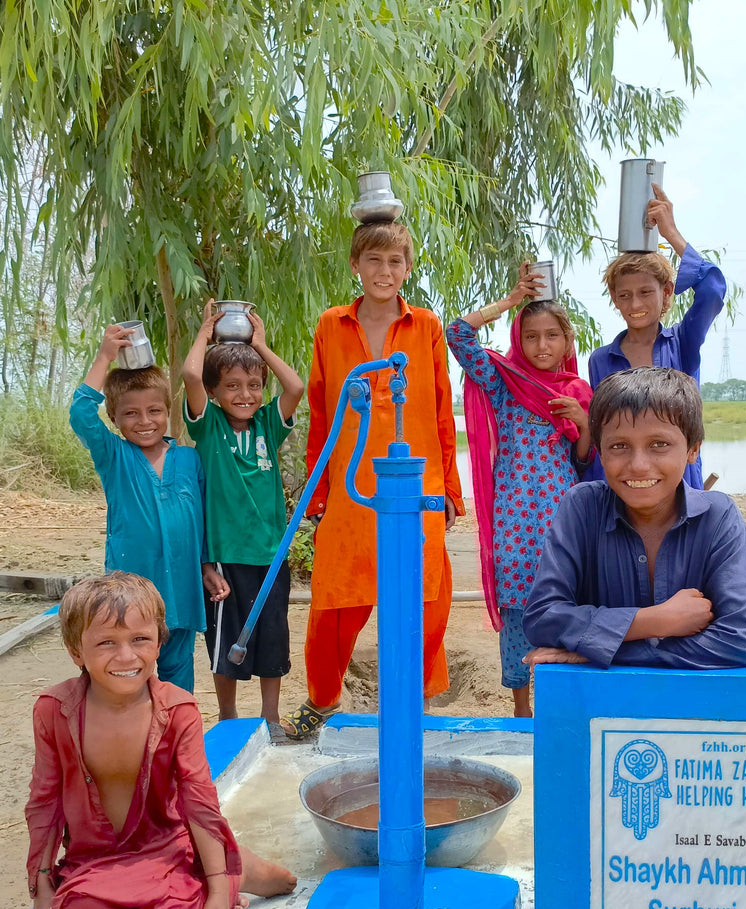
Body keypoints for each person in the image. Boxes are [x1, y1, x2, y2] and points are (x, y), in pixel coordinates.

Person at [9, 573, 296, 909]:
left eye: (139, 639)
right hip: (97, 857)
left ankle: (234, 872)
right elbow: (44, 802)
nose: (126, 656)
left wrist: (216, 891)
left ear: (160, 642)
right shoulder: (54, 711)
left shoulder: (178, 709)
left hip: (168, 846)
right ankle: (213, 876)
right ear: (76, 650)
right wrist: (42, 890)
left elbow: (199, 803)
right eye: (107, 642)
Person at [281, 221, 465, 738]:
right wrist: (319, 491)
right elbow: (321, 411)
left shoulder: (426, 326)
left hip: (415, 485)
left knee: (425, 599)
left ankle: (417, 706)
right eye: (374, 261)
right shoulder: (331, 325)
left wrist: (449, 489)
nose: (385, 272)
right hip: (351, 486)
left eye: (395, 262)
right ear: (355, 266)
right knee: (335, 599)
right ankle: (321, 702)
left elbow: (441, 411)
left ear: (408, 268)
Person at [522, 367, 746, 670]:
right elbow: (542, 618)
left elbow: (738, 641)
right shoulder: (582, 507)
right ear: (599, 451)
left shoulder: (718, 518)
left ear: (692, 449)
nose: (638, 465)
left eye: (659, 444)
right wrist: (654, 621)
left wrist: (600, 647)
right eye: (619, 446)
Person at [445, 265, 592, 716]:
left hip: (561, 518)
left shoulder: (578, 390)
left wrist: (583, 420)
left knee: (563, 604)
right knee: (517, 611)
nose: (542, 346)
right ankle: (520, 705)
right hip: (513, 517)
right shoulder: (506, 383)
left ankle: (556, 699)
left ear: (568, 342)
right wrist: (510, 300)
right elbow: (457, 335)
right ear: (518, 338)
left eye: (552, 336)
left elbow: (585, 460)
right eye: (531, 336)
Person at [69, 326, 215, 692]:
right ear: (115, 420)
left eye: (154, 410)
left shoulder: (189, 459)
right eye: (131, 413)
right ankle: (132, 733)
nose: (145, 420)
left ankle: (176, 734)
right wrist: (104, 357)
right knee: (131, 662)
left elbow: (204, 520)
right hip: (130, 590)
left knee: (179, 670)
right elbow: (81, 416)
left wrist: (207, 566)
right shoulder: (114, 456)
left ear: (168, 411)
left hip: (181, 589)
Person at [183, 302, 304, 729]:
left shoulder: (267, 425)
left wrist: (261, 346)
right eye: (232, 386)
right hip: (225, 558)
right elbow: (192, 375)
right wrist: (205, 330)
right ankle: (230, 716)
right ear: (215, 393)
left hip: (270, 556)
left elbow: (295, 386)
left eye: (254, 385)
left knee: (273, 638)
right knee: (224, 642)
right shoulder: (209, 426)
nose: (245, 394)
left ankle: (270, 715)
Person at [586, 185, 726, 489]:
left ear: (665, 293)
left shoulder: (682, 343)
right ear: (615, 298)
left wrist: (672, 234)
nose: (635, 304)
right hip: (623, 482)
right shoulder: (601, 359)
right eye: (625, 295)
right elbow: (602, 434)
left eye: (645, 292)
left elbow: (713, 291)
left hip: (676, 478)